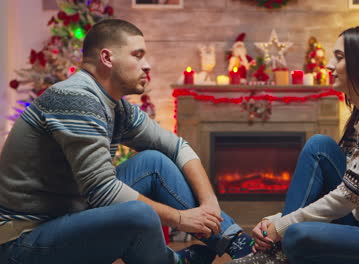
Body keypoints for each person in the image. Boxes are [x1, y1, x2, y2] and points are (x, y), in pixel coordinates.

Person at [0, 19, 253, 264]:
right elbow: (103, 192)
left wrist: (210, 204)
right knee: (138, 213)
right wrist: (180, 219)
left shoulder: (117, 107)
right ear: (107, 58)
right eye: (138, 55)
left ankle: (244, 249)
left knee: (154, 163)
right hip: (24, 241)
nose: (147, 65)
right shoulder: (75, 98)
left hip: (69, 216)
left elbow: (178, 148)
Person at [226, 26, 359, 264]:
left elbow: (348, 195)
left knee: (296, 234)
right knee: (320, 146)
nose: (328, 65)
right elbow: (338, 191)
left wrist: (282, 226)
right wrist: (275, 221)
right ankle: (276, 252)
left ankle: (277, 253)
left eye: (338, 57)